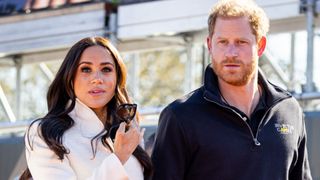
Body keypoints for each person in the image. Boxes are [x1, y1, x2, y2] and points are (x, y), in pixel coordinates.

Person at [151, 0, 312, 179]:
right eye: (223, 42)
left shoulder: (289, 110)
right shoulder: (180, 117)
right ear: (210, 45)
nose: (231, 53)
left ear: (260, 45)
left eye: (241, 42)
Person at [21, 37, 152, 180]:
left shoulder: (128, 128)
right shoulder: (44, 132)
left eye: (106, 69)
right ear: (70, 78)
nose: (97, 78)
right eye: (86, 69)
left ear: (117, 79)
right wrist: (118, 158)